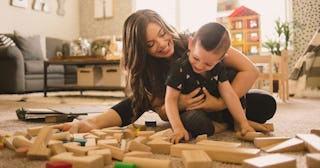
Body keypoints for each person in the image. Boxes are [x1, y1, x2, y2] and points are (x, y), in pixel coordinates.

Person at [54, 9, 276, 136]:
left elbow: (249, 70)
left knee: (266, 103)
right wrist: (180, 105)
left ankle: (231, 121)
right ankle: (92, 122)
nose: (162, 44)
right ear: (141, 50)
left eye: (162, 34)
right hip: (191, 111)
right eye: (150, 44)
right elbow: (152, 107)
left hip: (222, 98)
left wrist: (218, 103)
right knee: (191, 121)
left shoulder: (194, 42)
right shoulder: (149, 71)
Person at [165, 22, 255, 143]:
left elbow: (229, 94)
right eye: (196, 58)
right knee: (192, 120)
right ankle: (221, 127)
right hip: (195, 112)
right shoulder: (179, 67)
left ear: (221, 58)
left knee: (236, 89)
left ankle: (238, 123)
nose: (199, 66)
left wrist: (243, 122)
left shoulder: (219, 67)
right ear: (191, 44)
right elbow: (170, 99)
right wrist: (178, 128)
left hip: (216, 110)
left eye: (208, 64)